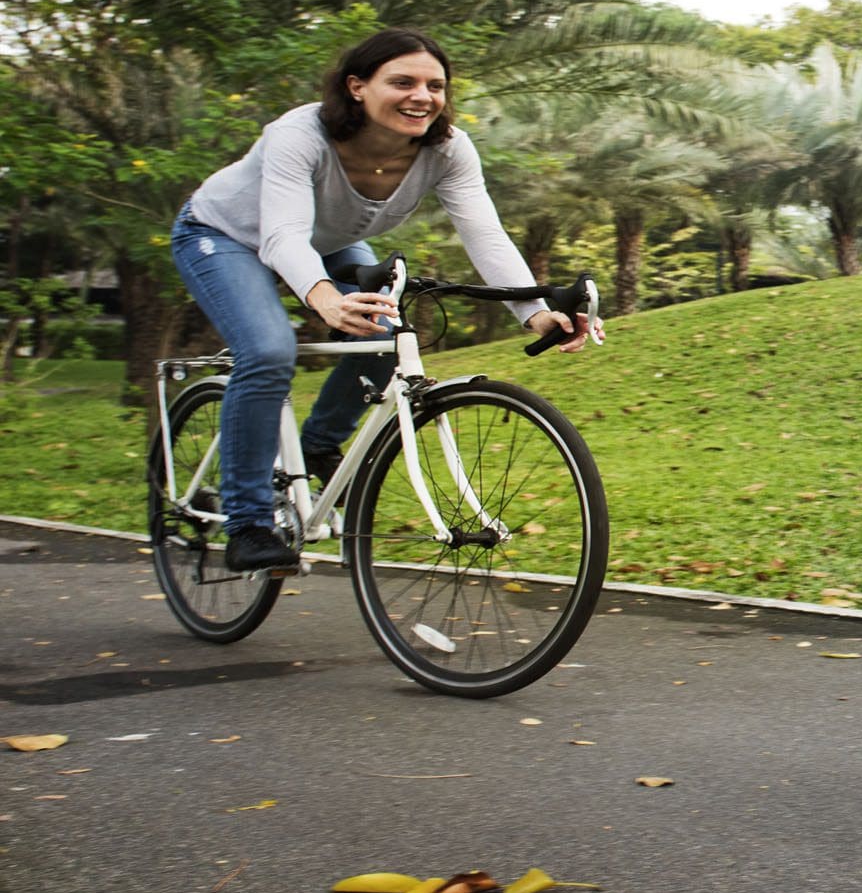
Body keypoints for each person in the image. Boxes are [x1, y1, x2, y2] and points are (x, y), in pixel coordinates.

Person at [171, 28, 601, 572]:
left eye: (435, 85)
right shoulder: (300, 134)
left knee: (386, 329)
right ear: (357, 87)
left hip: (327, 241)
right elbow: (281, 234)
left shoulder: (447, 150)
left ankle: (316, 448)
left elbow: (485, 235)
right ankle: (249, 523)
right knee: (269, 350)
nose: (422, 96)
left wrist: (535, 313)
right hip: (225, 235)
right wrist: (324, 299)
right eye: (402, 82)